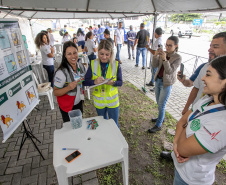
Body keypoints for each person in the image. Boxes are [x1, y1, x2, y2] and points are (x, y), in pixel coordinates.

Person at [160, 32, 226, 160]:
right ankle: (174, 154)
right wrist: (186, 107)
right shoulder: (206, 98)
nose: (210, 49)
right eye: (210, 45)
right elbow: (192, 85)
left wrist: (187, 122)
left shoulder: (220, 121)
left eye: (216, 46)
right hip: (196, 111)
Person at [172, 55, 226, 185]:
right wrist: (175, 144)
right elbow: (182, 121)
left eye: (208, 74)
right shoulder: (207, 99)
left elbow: (184, 149)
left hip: (192, 180)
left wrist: (180, 140)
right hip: (181, 169)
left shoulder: (222, 122)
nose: (202, 78)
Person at [83, 40, 123, 127]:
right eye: (101, 54)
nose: (104, 57)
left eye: (107, 54)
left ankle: (114, 140)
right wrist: (94, 81)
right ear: (97, 52)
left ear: (111, 54)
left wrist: (113, 82)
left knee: (114, 125)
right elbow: (85, 81)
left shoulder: (116, 64)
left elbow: (120, 82)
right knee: (103, 124)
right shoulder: (93, 63)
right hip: (99, 101)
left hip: (112, 101)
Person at [147, 36, 181, 133]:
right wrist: (155, 55)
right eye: (166, 44)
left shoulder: (177, 57)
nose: (167, 47)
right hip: (158, 80)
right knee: (158, 102)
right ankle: (161, 118)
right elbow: (154, 65)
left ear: (176, 46)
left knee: (161, 104)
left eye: (170, 45)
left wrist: (165, 59)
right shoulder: (164, 53)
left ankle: (158, 125)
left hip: (166, 83)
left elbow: (169, 71)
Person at [53, 41, 86, 122]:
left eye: (75, 53)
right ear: (65, 55)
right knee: (70, 130)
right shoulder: (61, 72)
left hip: (79, 103)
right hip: (67, 106)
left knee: (79, 125)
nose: (73, 56)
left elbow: (84, 80)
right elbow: (55, 92)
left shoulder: (81, 66)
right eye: (69, 54)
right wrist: (68, 88)